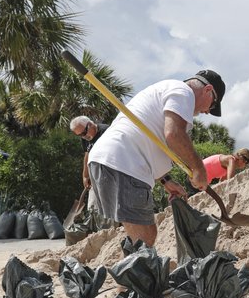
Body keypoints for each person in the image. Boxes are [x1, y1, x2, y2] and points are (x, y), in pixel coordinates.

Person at [87, 69, 226, 246]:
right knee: (145, 237)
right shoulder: (184, 92)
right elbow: (174, 135)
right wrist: (199, 168)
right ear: (207, 90)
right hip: (123, 163)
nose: (207, 112)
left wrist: (166, 180)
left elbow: (151, 140)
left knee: (142, 238)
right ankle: (140, 273)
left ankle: (136, 271)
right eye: (212, 105)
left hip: (111, 161)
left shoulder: (166, 90)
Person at [70, 115, 108, 212]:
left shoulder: (107, 131)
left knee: (109, 205)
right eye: (79, 135)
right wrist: (85, 175)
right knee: (93, 207)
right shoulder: (85, 138)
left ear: (90, 124)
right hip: (95, 177)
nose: (83, 136)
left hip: (109, 175)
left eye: (84, 132)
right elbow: (87, 155)